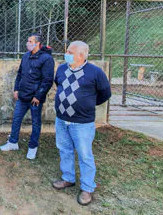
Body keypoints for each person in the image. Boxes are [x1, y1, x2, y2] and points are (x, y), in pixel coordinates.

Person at [51, 41, 111, 206]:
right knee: (65, 150)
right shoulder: (62, 69)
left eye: (70, 51)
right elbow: (59, 84)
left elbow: (105, 93)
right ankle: (68, 178)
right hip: (62, 119)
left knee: (85, 155)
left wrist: (87, 103)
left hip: (82, 123)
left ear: (81, 55)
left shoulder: (95, 72)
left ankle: (87, 188)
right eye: (67, 51)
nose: (67, 53)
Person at [0, 33, 55, 159]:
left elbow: (47, 80)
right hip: (22, 96)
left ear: (38, 44)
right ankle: (13, 142)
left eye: (30, 41)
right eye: (28, 41)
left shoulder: (46, 59)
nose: (28, 43)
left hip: (35, 98)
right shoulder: (25, 56)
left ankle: (32, 147)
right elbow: (20, 74)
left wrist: (38, 96)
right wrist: (16, 89)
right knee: (16, 119)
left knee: (35, 123)